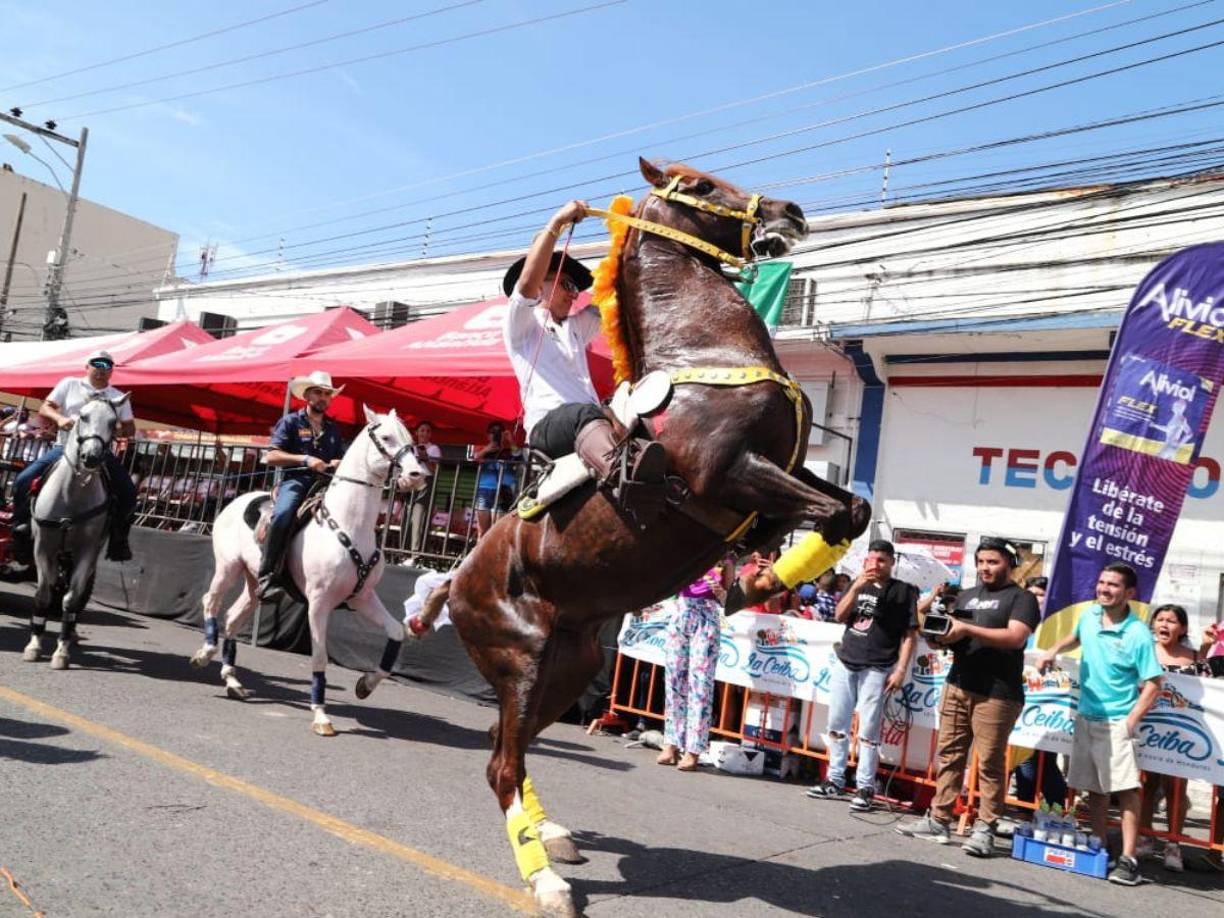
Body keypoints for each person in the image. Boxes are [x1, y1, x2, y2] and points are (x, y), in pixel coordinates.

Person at [502, 201, 665, 500]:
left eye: (575, 289)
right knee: (586, 413)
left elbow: (616, 294)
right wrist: (557, 223)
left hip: (591, 423)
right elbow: (526, 284)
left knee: (635, 411)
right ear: (542, 284)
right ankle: (626, 480)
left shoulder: (576, 326)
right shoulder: (522, 327)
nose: (574, 295)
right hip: (548, 429)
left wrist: (635, 237)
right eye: (567, 284)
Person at [897, 537, 1040, 857]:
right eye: (981, 561)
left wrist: (966, 630)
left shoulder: (1023, 598)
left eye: (993, 562)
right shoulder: (967, 596)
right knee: (949, 754)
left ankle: (985, 828)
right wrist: (937, 637)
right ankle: (938, 819)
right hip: (958, 684)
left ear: (1011, 564)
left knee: (989, 762)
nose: (985, 567)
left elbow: (1016, 637)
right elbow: (951, 636)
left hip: (998, 694)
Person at [1036, 563, 1163, 886]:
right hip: (1086, 716)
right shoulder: (1091, 614)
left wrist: (1131, 721)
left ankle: (1129, 859)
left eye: (1113, 585)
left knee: (1126, 789)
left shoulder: (1137, 634)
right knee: (1094, 788)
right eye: (1102, 582)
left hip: (1117, 721)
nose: (1104, 589)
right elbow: (1076, 635)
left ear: (1129, 593)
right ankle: (1100, 847)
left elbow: (1154, 683)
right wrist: (1053, 649)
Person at [807, 540, 918, 813]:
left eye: (881, 560)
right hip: (847, 660)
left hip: (878, 666)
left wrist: (901, 669)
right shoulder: (857, 584)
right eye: (871, 559)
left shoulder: (903, 591)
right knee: (837, 723)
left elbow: (909, 635)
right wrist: (856, 586)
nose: (875, 565)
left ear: (891, 562)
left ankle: (865, 786)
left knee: (869, 730)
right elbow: (839, 615)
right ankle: (834, 779)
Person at [9, 350, 138, 563]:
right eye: (96, 364)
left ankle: (119, 539)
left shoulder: (117, 396)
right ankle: (21, 526)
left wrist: (111, 430)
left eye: (106, 365)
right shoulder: (69, 384)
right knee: (23, 480)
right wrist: (60, 419)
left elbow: (130, 428)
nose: (101, 369)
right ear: (87, 367)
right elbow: (45, 407)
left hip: (100, 453)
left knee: (129, 492)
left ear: (111, 371)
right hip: (64, 447)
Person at [257, 371, 346, 600]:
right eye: (318, 392)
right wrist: (305, 459)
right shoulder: (291, 421)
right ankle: (267, 577)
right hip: (296, 481)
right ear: (306, 395)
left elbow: (339, 457)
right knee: (283, 514)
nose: (323, 397)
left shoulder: (333, 427)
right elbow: (271, 456)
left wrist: (338, 462)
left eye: (327, 394)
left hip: (326, 483)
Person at [1137, 603, 1205, 872]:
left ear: (1183, 628)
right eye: (1160, 619)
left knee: (1176, 788)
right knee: (1146, 784)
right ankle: (1144, 836)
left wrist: (1206, 649)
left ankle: (1173, 843)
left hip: (1181, 734)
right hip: (1147, 729)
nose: (1164, 624)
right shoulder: (1144, 651)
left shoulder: (1194, 657)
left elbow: (1208, 690)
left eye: (1172, 621)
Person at [657, 560, 734, 772]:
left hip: (707, 615)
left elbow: (730, 599)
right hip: (681, 610)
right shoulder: (693, 553)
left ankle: (694, 750)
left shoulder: (726, 559)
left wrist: (721, 593)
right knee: (674, 679)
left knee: (700, 685)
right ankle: (671, 743)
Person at [1011, 575, 1067, 808]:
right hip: (1017, 694)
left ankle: (1054, 808)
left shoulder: (1058, 627)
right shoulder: (1015, 620)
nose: (1036, 599)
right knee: (1019, 754)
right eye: (1031, 594)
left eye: (1041, 594)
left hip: (1047, 700)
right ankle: (1025, 805)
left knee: (1043, 757)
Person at [473, 421, 520, 540]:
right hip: (485, 489)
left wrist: (511, 441)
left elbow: (519, 457)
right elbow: (474, 459)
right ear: (487, 435)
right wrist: (486, 450)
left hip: (503, 491)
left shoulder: (508, 450)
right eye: (492, 432)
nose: (495, 434)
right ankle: (481, 551)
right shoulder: (482, 447)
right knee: (482, 531)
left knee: (497, 531)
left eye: (499, 432)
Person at [407, 420, 442, 558]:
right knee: (407, 516)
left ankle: (415, 554)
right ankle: (404, 550)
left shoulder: (434, 449)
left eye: (428, 431)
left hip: (425, 481)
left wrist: (426, 458)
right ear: (416, 432)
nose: (425, 433)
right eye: (422, 430)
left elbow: (435, 470)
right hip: (410, 481)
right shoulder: (411, 448)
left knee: (418, 516)